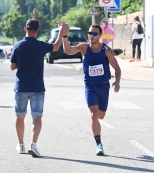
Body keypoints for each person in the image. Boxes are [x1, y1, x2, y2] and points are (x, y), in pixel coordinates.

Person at [10, 19, 69, 157]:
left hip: (21, 87)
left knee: (20, 117)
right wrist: (61, 32)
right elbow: (55, 47)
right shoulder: (41, 46)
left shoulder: (17, 46)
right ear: (37, 31)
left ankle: (21, 145)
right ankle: (33, 145)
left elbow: (12, 67)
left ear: (25, 29)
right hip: (37, 88)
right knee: (37, 118)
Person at [62, 24, 121, 156]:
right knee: (94, 114)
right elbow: (68, 51)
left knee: (101, 115)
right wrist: (65, 36)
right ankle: (99, 144)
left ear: (100, 35)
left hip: (104, 86)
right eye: (89, 33)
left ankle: (98, 128)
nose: (91, 35)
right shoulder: (84, 47)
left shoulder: (106, 50)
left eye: (94, 33)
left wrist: (117, 81)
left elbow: (117, 68)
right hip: (90, 86)